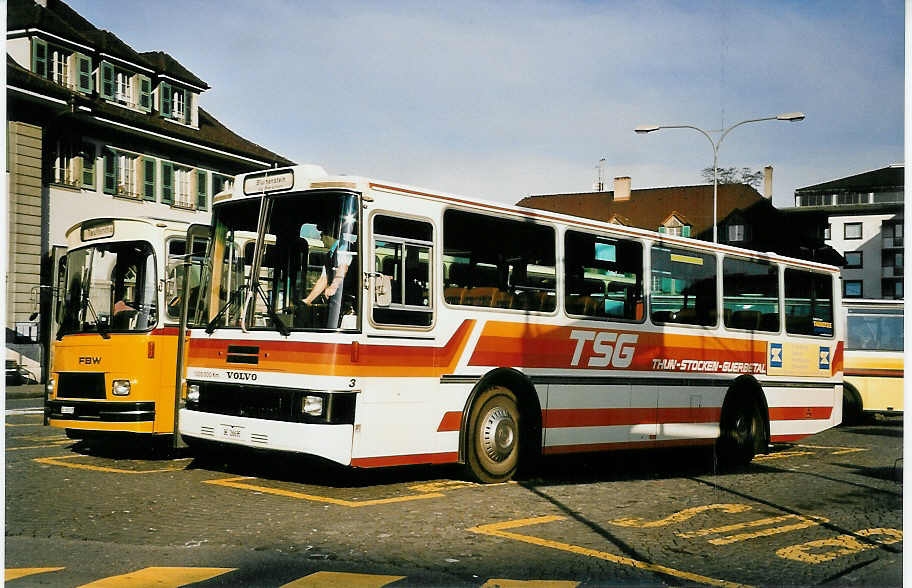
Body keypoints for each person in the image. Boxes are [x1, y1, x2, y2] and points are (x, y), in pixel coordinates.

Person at [302, 226, 352, 328]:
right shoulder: (330, 254)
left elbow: (343, 267)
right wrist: (308, 300)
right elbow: (323, 279)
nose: (321, 239)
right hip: (337, 301)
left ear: (329, 235)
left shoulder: (344, 247)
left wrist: (333, 286)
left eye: (321, 235)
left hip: (349, 301)